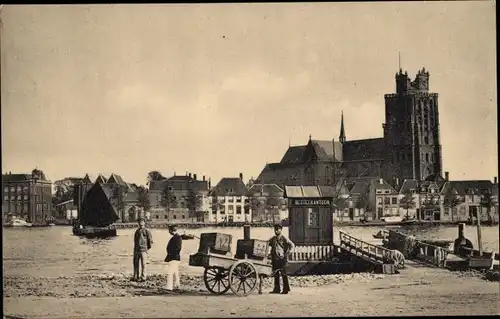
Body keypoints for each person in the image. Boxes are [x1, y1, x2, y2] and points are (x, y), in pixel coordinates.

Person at [268, 223, 295, 294]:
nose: (276, 231)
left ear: (281, 230)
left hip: (282, 258)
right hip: (275, 258)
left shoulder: (284, 238)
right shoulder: (273, 239)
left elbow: (292, 245)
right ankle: (276, 289)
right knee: (276, 274)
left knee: (284, 274)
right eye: (275, 229)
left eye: (278, 229)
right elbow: (267, 243)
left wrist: (288, 253)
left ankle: (286, 289)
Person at [132, 218, 153, 282]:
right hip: (136, 250)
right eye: (139, 222)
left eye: (142, 222)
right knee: (135, 264)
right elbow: (135, 241)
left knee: (143, 264)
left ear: (144, 223)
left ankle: (143, 277)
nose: (140, 223)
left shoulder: (147, 231)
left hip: (143, 250)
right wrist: (135, 249)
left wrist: (146, 248)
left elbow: (150, 241)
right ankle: (136, 276)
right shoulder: (137, 231)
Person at [165, 224, 182, 291]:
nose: (169, 232)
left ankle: (169, 287)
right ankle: (177, 285)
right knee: (175, 272)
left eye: (169, 230)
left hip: (174, 257)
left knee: (170, 272)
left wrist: (171, 253)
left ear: (172, 230)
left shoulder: (177, 237)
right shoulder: (177, 237)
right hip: (175, 257)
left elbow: (178, 248)